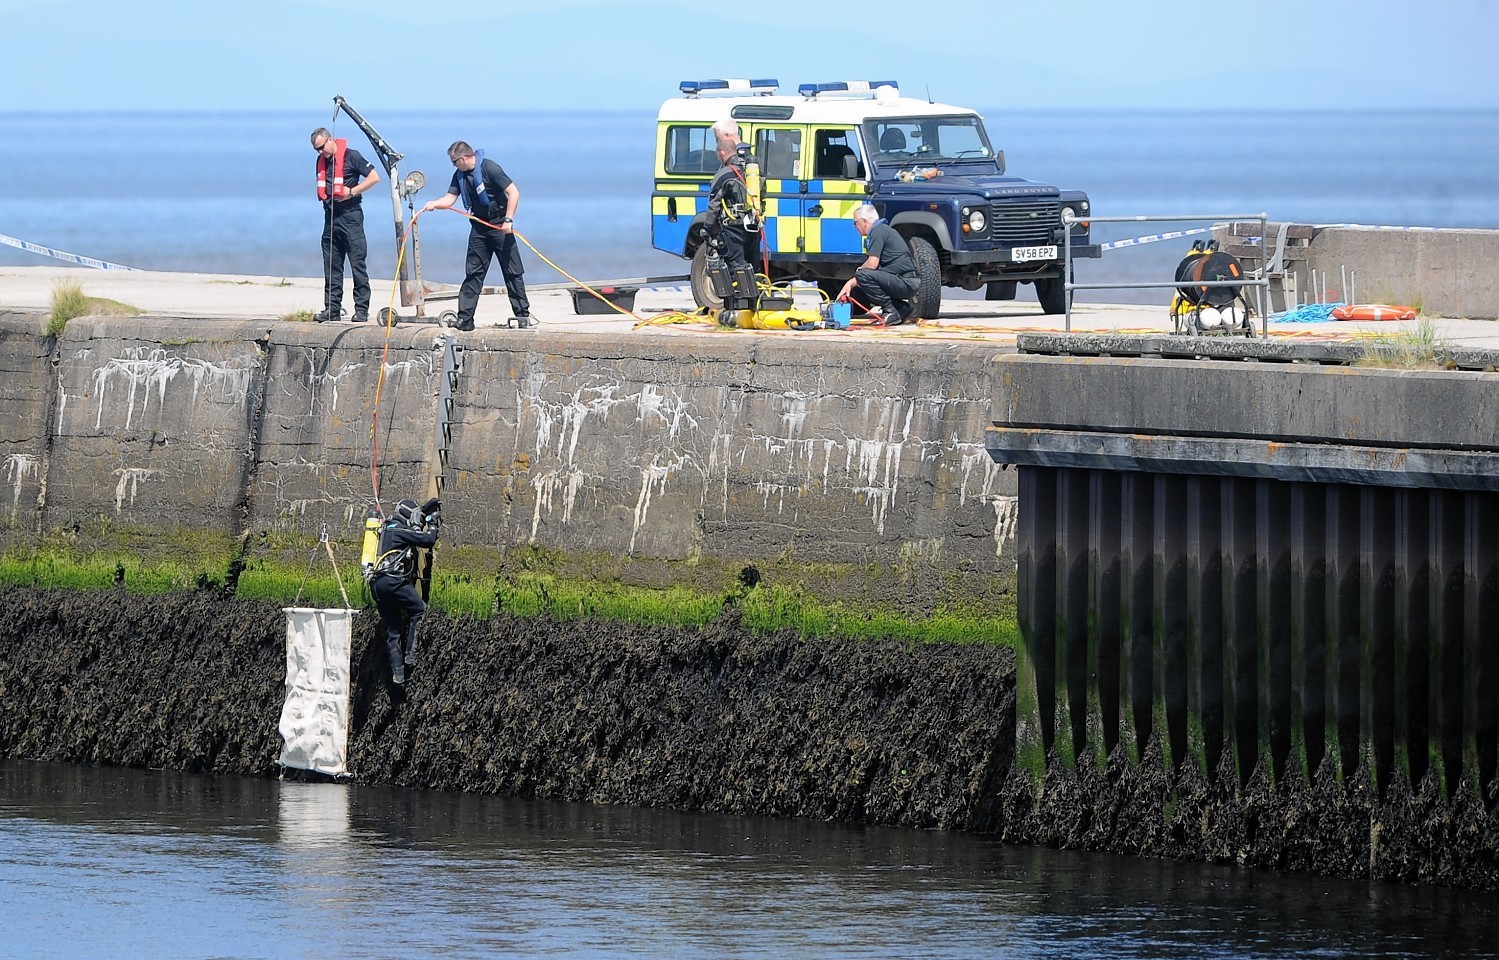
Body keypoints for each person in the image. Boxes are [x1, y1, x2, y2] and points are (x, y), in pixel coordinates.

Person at [421, 141, 530, 331]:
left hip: (500, 226)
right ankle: (465, 319)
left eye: (454, 162)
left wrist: (509, 220)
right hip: (479, 227)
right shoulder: (459, 175)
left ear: (463, 158)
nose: (453, 165)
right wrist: (434, 204)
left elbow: (513, 192)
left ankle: (522, 316)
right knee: (473, 273)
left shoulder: (490, 168)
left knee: (512, 271)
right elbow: (449, 198)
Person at [368, 497, 441, 685]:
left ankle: (398, 675)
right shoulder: (401, 530)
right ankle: (410, 656)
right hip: (393, 582)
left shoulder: (385, 528)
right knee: (419, 609)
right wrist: (432, 523)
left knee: (393, 631)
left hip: (376, 584)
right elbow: (428, 540)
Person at [310, 127, 380, 323]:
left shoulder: (352, 156)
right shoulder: (321, 161)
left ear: (330, 140)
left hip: (351, 216)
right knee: (331, 264)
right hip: (330, 217)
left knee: (357, 263)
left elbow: (375, 177)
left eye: (322, 147)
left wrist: (352, 191)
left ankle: (362, 309)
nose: (320, 152)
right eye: (317, 150)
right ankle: (332, 308)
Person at [837, 204, 920, 325]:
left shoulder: (878, 231)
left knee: (863, 276)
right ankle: (901, 309)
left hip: (905, 281)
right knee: (864, 281)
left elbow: (872, 264)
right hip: (907, 281)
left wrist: (857, 274)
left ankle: (890, 311)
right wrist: (852, 283)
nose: (854, 227)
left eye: (855, 223)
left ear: (863, 221)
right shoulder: (882, 230)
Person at [706, 118, 758, 276]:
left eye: (717, 138)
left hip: (733, 226)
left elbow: (714, 202)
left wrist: (707, 228)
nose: (717, 143)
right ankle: (754, 299)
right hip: (753, 222)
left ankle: (737, 300)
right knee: (753, 269)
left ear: (727, 136)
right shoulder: (752, 162)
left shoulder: (727, 170)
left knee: (737, 268)